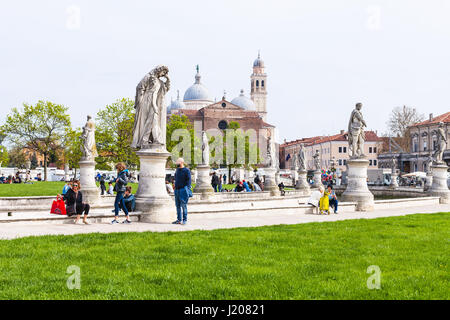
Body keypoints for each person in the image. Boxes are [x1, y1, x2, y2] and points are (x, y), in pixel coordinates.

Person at [173, 158, 191, 225]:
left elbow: (189, 181)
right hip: (177, 190)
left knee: (184, 206)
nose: (176, 163)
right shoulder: (177, 170)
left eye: (177, 161)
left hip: (183, 190)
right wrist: (174, 184)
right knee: (177, 206)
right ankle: (179, 220)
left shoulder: (186, 170)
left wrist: (186, 189)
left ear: (181, 162)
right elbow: (175, 178)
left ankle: (184, 220)